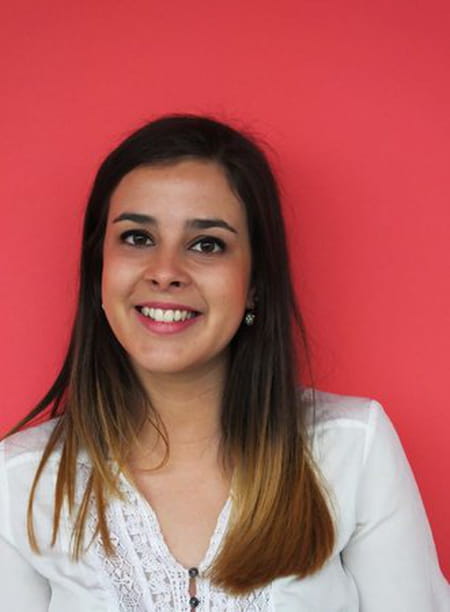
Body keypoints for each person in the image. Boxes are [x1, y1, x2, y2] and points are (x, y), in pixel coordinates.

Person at [0, 115, 448, 612]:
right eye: (138, 238)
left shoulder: (352, 449)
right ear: (98, 270)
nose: (165, 272)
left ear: (255, 282)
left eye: (207, 244)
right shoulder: (20, 481)